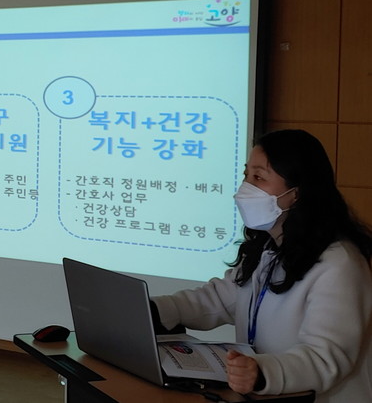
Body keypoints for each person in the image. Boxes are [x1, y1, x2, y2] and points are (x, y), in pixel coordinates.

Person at [151, 129, 372, 403]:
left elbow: (326, 357)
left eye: (258, 178)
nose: (245, 188)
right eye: (246, 175)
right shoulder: (270, 246)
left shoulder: (340, 263)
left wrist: (262, 371)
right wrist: (157, 310)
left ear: (296, 193)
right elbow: (219, 300)